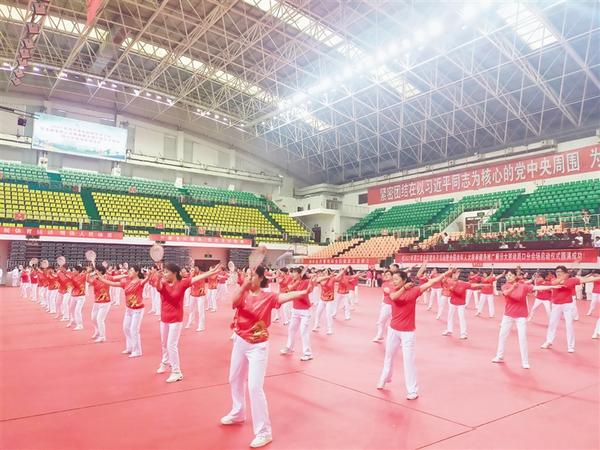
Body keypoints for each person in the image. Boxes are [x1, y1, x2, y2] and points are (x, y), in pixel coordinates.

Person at [220, 265, 312, 449]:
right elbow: (234, 302)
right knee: (234, 379)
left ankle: (264, 432)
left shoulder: (268, 296)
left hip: (258, 346)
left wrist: (304, 292)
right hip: (240, 341)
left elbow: (284, 297)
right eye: (247, 274)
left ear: (261, 278)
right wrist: (244, 285)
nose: (248, 278)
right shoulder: (243, 293)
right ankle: (238, 412)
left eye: (252, 275)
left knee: (254, 387)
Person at [377, 266, 451, 398]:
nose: (393, 281)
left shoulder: (415, 291)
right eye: (393, 279)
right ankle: (384, 378)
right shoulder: (392, 288)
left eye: (396, 279)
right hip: (393, 330)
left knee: (408, 361)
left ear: (404, 280)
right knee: (389, 356)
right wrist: (404, 288)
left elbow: (431, 282)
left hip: (408, 332)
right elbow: (393, 297)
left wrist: (446, 273)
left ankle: (412, 390)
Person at [156, 263, 222, 383]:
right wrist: (158, 277)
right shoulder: (163, 283)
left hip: (176, 319)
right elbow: (158, 287)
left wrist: (211, 272)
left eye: (166, 272)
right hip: (164, 318)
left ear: (174, 273)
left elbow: (198, 277)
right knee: (164, 343)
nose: (164, 274)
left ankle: (177, 372)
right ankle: (165, 363)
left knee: (171, 345)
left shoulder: (183, 283)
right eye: (164, 272)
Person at [492, 269, 558, 369]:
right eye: (507, 275)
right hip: (508, 315)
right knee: (502, 336)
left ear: (515, 276)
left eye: (511, 275)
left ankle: (525, 361)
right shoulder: (505, 286)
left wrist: (552, 287)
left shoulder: (523, 286)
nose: (508, 277)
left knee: (522, 338)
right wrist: (513, 287)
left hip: (521, 316)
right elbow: (505, 293)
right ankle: (499, 356)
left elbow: (536, 287)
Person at [541, 266, 600, 353]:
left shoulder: (572, 280)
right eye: (557, 271)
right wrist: (563, 277)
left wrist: (598, 277)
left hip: (567, 305)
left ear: (565, 272)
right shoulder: (553, 279)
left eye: (560, 271)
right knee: (552, 324)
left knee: (569, 325)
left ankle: (570, 346)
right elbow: (555, 283)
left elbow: (586, 280)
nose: (558, 273)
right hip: (556, 305)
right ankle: (549, 341)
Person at [98, 265, 148, 358]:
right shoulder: (126, 282)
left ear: (137, 272)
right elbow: (112, 283)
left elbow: (146, 279)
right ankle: (130, 347)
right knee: (126, 328)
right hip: (129, 309)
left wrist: (150, 274)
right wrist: (101, 279)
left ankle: (137, 350)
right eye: (129, 270)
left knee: (134, 330)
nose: (129, 272)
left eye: (131, 270)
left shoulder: (140, 282)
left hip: (138, 310)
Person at [280, 267, 314, 361]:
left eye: (294, 272)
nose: (292, 274)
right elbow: (288, 289)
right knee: (291, 329)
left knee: (303, 332)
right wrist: (297, 282)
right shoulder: (293, 282)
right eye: (292, 272)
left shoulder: (306, 282)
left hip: (305, 311)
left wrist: (312, 281)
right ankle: (289, 348)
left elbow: (310, 289)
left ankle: (308, 354)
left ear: (300, 274)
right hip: (295, 310)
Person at [442, 269, 477, 339]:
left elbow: (472, 285)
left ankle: (463, 333)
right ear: (452, 274)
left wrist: (482, 285)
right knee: (450, 316)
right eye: (455, 274)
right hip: (452, 302)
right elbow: (443, 280)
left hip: (461, 303)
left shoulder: (462, 283)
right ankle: (449, 330)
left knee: (461, 317)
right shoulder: (449, 281)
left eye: (458, 274)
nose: (457, 275)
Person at [88, 266, 112, 343]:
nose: (95, 272)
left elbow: (115, 278)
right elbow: (88, 281)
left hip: (105, 302)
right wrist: (88, 272)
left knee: (100, 319)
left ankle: (102, 337)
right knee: (93, 318)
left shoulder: (107, 278)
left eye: (96, 271)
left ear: (100, 271)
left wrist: (125, 275)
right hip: (97, 302)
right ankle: (97, 331)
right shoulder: (95, 279)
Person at [311, 269, 337, 335]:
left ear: (328, 273)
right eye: (324, 272)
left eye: (326, 272)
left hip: (329, 300)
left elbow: (338, 276)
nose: (324, 273)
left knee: (328, 315)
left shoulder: (332, 279)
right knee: (318, 313)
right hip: (322, 299)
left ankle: (330, 329)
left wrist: (342, 271)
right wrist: (328, 276)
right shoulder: (321, 279)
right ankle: (316, 325)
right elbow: (316, 280)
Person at [372, 270, 393, 342]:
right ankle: (380, 335)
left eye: (388, 274)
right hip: (387, 305)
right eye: (386, 274)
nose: (387, 276)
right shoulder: (384, 284)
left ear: (392, 276)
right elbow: (387, 291)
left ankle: (396, 339)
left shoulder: (397, 284)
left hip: (396, 306)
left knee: (393, 323)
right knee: (381, 321)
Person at [185, 264, 207, 331]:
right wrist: (191, 274)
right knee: (191, 309)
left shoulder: (202, 274)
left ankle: (201, 326)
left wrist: (192, 275)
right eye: (193, 268)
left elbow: (198, 281)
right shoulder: (192, 274)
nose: (194, 269)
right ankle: (190, 321)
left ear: (198, 268)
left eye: (195, 268)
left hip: (200, 295)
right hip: (192, 294)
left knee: (201, 311)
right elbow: (189, 282)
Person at [67, 266, 87, 330]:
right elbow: (70, 284)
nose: (73, 271)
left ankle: (80, 325)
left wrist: (89, 271)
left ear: (78, 271)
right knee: (71, 309)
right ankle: (73, 320)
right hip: (73, 295)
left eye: (74, 270)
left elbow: (90, 274)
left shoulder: (83, 276)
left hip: (81, 296)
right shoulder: (72, 277)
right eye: (72, 270)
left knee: (77, 310)